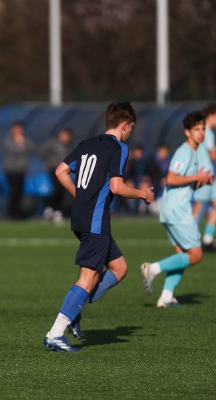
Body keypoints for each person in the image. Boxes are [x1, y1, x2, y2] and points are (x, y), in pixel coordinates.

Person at [43, 101, 154, 352]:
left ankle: (75, 309)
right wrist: (144, 195)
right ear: (125, 125)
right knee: (89, 276)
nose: (130, 133)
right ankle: (55, 332)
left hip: (82, 216)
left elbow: (61, 171)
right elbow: (117, 187)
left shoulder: (86, 144)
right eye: (131, 128)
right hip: (95, 220)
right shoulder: (119, 147)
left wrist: (80, 196)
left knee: (120, 268)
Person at [141, 112, 214, 307]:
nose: (201, 133)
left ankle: (166, 296)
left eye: (203, 129)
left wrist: (201, 181)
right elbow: (171, 179)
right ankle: (153, 269)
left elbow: (185, 183)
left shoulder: (194, 152)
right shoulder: (185, 151)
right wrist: (196, 178)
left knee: (182, 255)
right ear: (187, 132)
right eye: (196, 129)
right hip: (178, 210)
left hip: (171, 208)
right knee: (196, 255)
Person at [191, 103, 216, 252]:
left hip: (210, 176)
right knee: (199, 208)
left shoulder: (204, 130)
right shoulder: (206, 130)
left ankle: (207, 241)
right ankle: (189, 241)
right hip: (204, 175)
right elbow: (212, 155)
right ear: (212, 114)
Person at [3, 121, 35, 220]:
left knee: (20, 192)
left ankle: (17, 212)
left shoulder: (25, 140)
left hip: (22, 170)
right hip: (11, 170)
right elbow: (14, 150)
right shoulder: (8, 140)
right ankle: (12, 213)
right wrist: (21, 145)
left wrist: (24, 142)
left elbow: (33, 148)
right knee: (14, 191)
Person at [40, 128, 72, 221]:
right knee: (57, 188)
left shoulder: (67, 146)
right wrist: (47, 162)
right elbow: (41, 151)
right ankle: (52, 208)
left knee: (61, 190)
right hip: (54, 169)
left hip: (64, 171)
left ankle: (54, 209)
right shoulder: (53, 144)